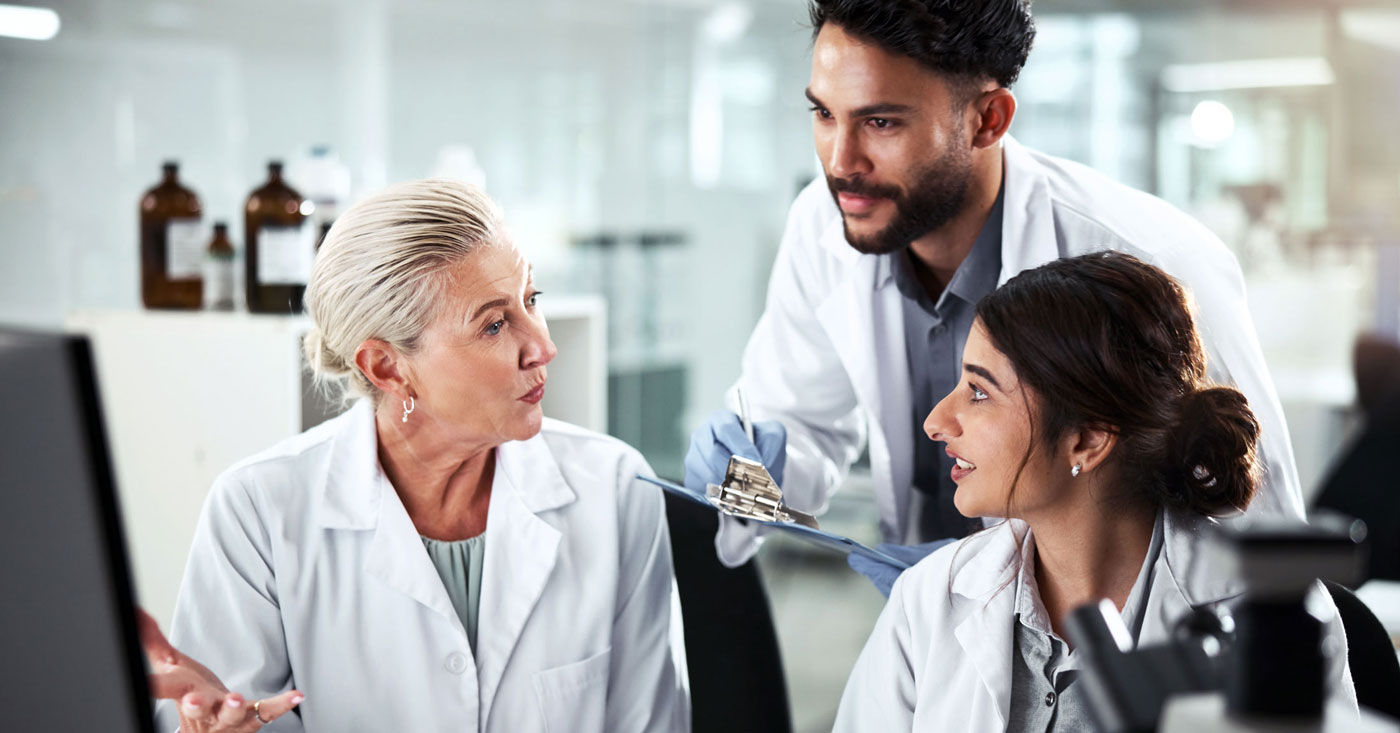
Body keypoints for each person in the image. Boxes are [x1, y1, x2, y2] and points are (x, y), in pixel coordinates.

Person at [684, 0, 1304, 591]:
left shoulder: (1155, 260)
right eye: (823, 114)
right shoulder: (826, 224)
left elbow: (1260, 532)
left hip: (1108, 661)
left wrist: (996, 580)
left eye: (880, 122)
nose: (841, 162)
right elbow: (802, 422)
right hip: (928, 646)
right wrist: (752, 471)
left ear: (989, 119)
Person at [142, 179, 690, 732]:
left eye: (532, 300)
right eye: (495, 324)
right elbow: (226, 715)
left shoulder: (614, 489)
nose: (542, 347)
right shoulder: (258, 512)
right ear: (386, 366)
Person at [831, 252, 1356, 731]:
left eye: (978, 391)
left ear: (1086, 440)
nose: (936, 422)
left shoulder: (1274, 622)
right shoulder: (927, 602)